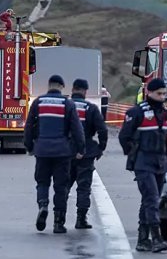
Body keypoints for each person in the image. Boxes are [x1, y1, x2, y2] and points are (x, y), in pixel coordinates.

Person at [24, 74, 85, 234]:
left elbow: (29, 126)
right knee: (61, 187)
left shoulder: (38, 102)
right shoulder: (67, 103)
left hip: (42, 150)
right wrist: (80, 149)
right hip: (62, 152)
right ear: (61, 87)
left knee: (42, 182)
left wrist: (29, 146)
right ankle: (58, 223)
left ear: (49, 85)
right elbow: (77, 129)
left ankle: (43, 205)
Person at [119, 78, 167, 253]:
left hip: (160, 163)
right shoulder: (137, 112)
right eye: (159, 94)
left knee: (151, 199)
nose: (162, 97)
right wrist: (133, 154)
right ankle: (156, 238)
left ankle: (143, 239)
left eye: (164, 94)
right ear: (148, 93)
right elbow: (124, 136)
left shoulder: (165, 114)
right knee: (150, 198)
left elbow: (165, 139)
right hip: (143, 162)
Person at [68, 79, 107, 230]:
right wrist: (101, 148)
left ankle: (59, 219)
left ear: (72, 89)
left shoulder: (65, 106)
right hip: (87, 152)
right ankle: (81, 219)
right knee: (83, 187)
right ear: (85, 91)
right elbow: (102, 130)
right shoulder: (90, 108)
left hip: (66, 151)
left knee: (63, 186)